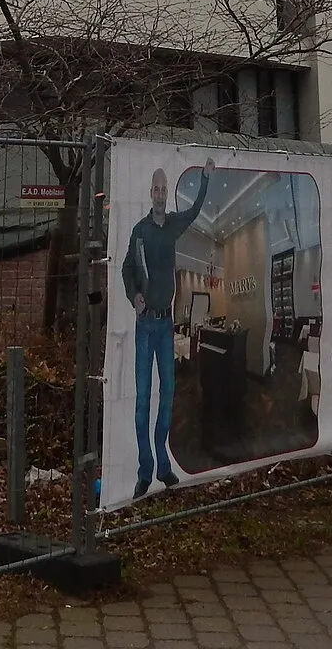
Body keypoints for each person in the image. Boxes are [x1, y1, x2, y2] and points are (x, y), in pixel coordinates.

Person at [121, 155, 213, 501]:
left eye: (164, 189)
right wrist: (135, 296)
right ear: (150, 193)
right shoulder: (140, 232)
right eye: (156, 189)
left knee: (168, 396)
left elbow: (196, 211)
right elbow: (127, 269)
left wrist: (204, 179)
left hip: (167, 325)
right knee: (143, 399)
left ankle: (163, 465)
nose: (160, 194)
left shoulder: (174, 223)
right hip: (146, 326)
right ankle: (145, 471)